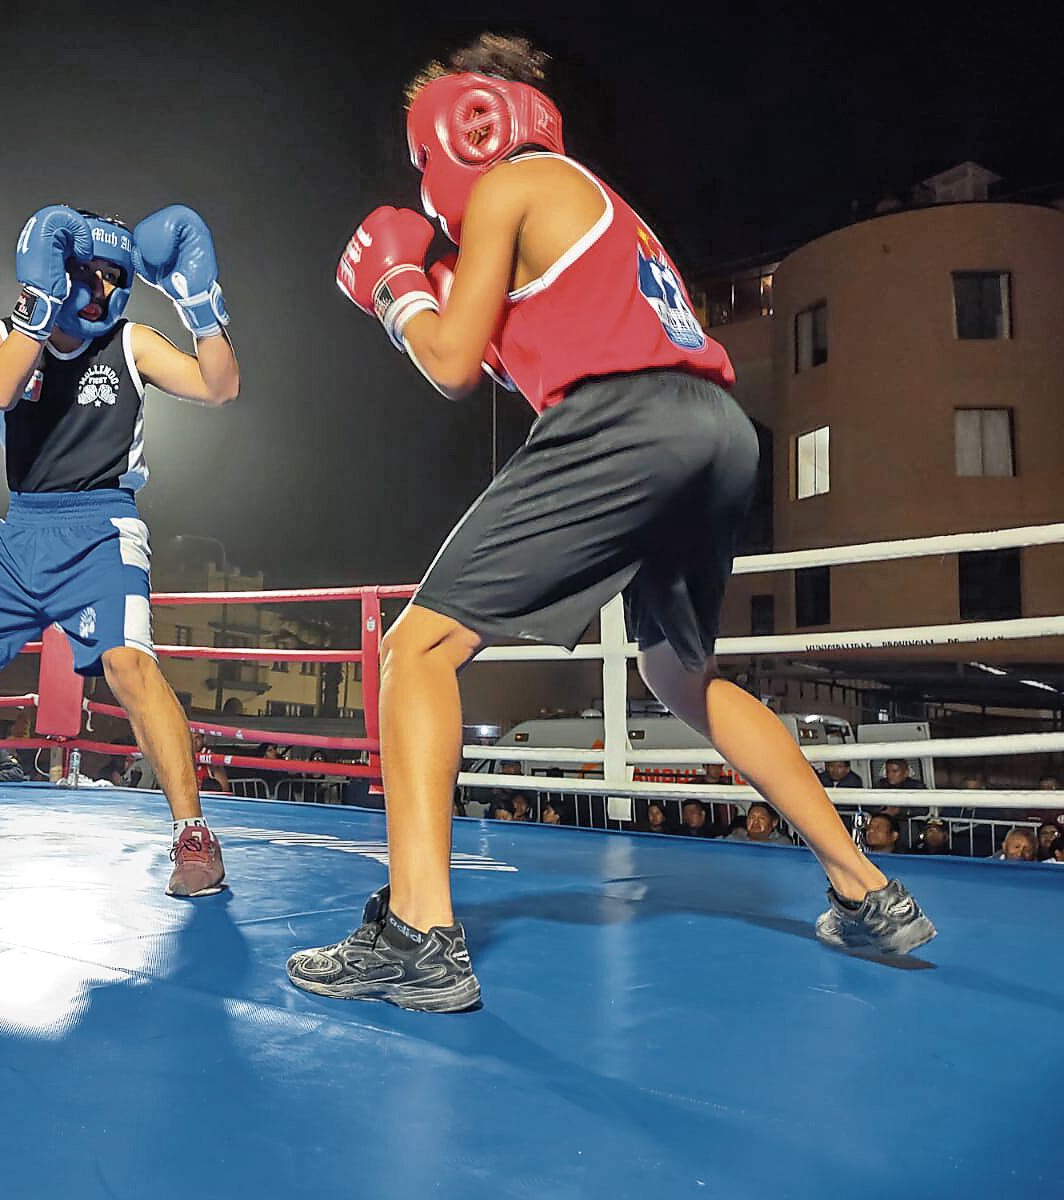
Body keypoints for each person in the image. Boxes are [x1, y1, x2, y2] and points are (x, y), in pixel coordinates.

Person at [286, 33, 934, 1013]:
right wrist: (437, 289)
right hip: (712, 433)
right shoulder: (600, 215)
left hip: (629, 420)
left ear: (470, 126)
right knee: (677, 674)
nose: (425, 176)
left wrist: (393, 287)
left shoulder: (518, 184)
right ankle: (867, 890)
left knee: (415, 651)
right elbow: (511, 347)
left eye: (424, 153)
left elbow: (451, 363)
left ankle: (420, 936)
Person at [0, 204, 240, 903]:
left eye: (113, 277)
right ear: (53, 271)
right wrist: (38, 308)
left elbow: (221, 386)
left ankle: (192, 833)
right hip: (20, 534)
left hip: (101, 528)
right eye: (85, 273)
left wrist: (202, 307)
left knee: (129, 667)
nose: (98, 289)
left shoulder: (133, 342)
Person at [727, 801, 792, 845]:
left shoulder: (782, 844)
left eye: (761, 818)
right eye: (752, 817)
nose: (755, 822)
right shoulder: (734, 839)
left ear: (774, 822)